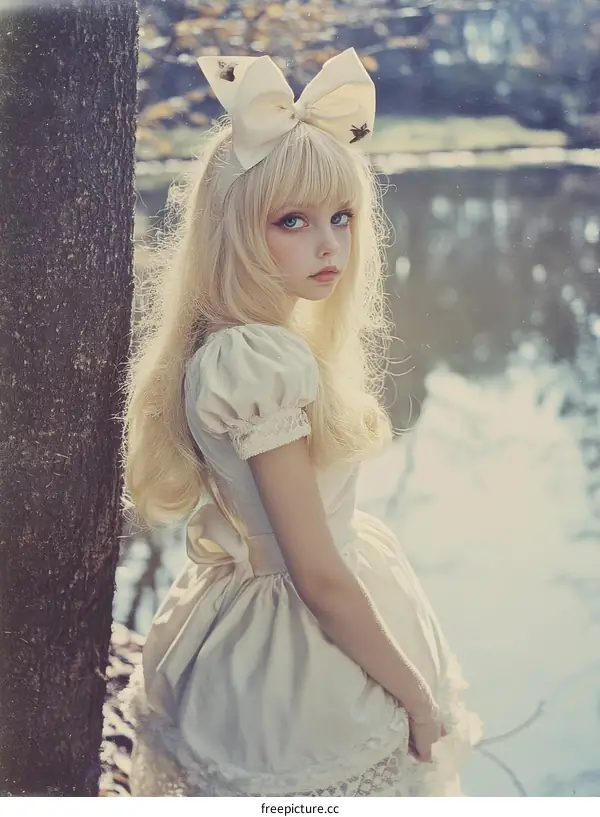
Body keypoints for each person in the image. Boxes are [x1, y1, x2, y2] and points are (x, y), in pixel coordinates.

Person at [120, 47, 481, 797]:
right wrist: (416, 698)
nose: (329, 244)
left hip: (283, 603)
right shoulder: (252, 360)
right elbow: (316, 573)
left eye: (341, 218)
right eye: (293, 220)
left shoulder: (244, 344)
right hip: (298, 653)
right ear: (235, 233)